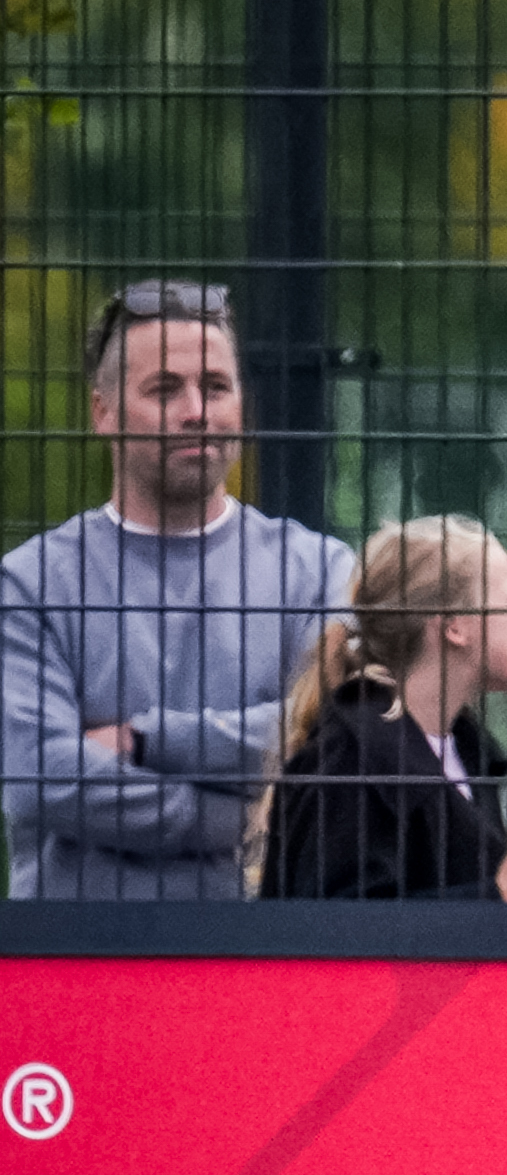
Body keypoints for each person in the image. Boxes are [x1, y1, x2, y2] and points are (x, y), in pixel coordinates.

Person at [1, 278, 354, 899]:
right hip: (78, 965)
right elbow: (43, 777)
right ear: (102, 413)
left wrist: (148, 740)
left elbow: (331, 743)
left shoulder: (320, 571)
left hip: (262, 967)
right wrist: (240, 817)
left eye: (216, 387)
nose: (197, 409)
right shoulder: (30, 585)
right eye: (164, 389)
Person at [255, 516, 507, 907]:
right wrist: (505, 895)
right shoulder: (351, 757)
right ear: (454, 625)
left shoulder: (463, 753)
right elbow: (343, 934)